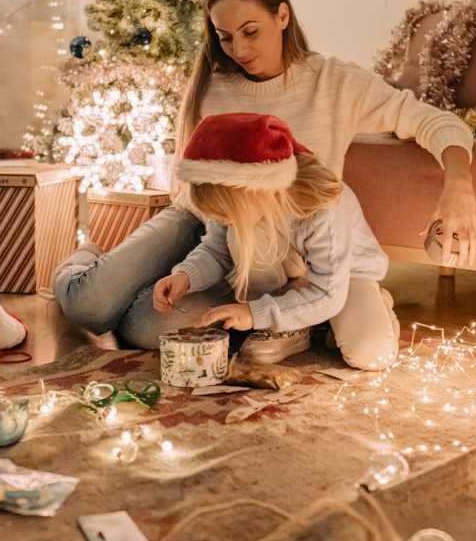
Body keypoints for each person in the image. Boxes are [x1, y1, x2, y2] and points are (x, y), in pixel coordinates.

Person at [54, 0, 476, 348]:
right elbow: (201, 196)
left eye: (250, 32)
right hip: (204, 219)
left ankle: (171, 295)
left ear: (282, 16)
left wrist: (457, 188)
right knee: (89, 306)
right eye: (225, 38)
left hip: (274, 235)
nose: (238, 50)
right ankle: (89, 258)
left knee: (144, 328)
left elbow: (434, 122)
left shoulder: (333, 82)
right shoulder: (213, 84)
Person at [153, 113, 399, 369]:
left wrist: (253, 313)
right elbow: (217, 251)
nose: (223, 221)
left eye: (226, 213)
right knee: (248, 235)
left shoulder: (324, 208)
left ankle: (356, 310)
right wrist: (186, 276)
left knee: (371, 354)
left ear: (256, 190)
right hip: (284, 280)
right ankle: (295, 324)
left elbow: (328, 292)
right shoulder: (235, 207)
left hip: (344, 278)